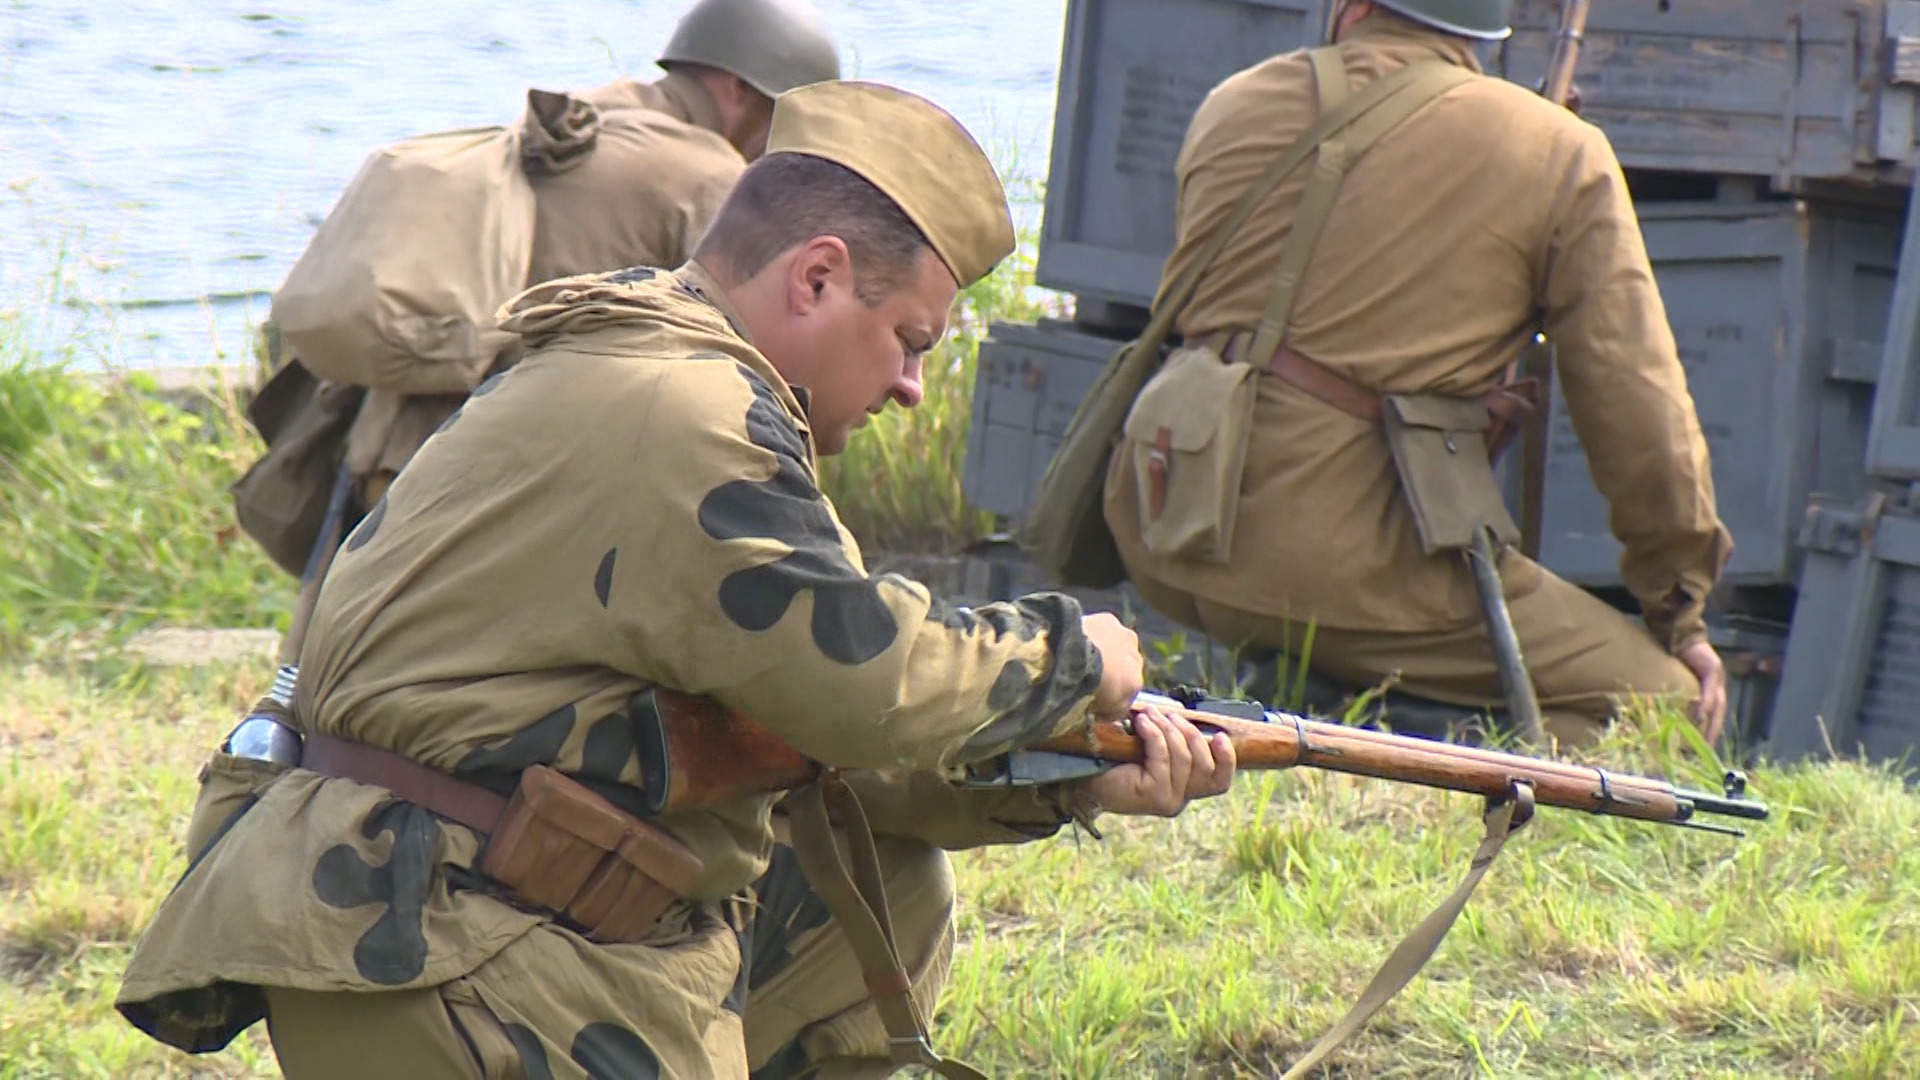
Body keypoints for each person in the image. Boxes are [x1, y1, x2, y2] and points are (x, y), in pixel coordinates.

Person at [117, 79, 1238, 1079]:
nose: (908, 386)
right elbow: (870, 682)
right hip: (441, 949)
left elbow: (806, 744)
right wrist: (1080, 656)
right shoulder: (691, 415)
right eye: (910, 339)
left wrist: (1072, 782)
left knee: (884, 876)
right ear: (816, 278)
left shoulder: (653, 369)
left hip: (457, 911)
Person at [1100, 0, 1734, 750]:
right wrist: (1678, 606)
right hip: (1339, 566)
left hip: (1166, 524)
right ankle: (1403, 755)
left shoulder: (1233, 101)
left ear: (1355, 7)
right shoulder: (1559, 152)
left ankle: (1329, 708)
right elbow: (1640, 414)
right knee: (1666, 714)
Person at [344, 0, 846, 512]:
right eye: (782, 117)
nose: (780, 146)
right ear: (737, 89)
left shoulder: (600, 112)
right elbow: (742, 372)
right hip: (487, 478)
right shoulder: (708, 177)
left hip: (389, 446)